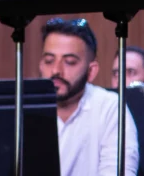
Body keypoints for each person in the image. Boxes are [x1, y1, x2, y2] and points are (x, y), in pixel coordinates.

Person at [39, 17, 139, 176]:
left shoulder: (110, 108)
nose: (56, 71)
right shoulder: (22, 108)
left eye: (69, 62)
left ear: (91, 71)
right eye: (49, 60)